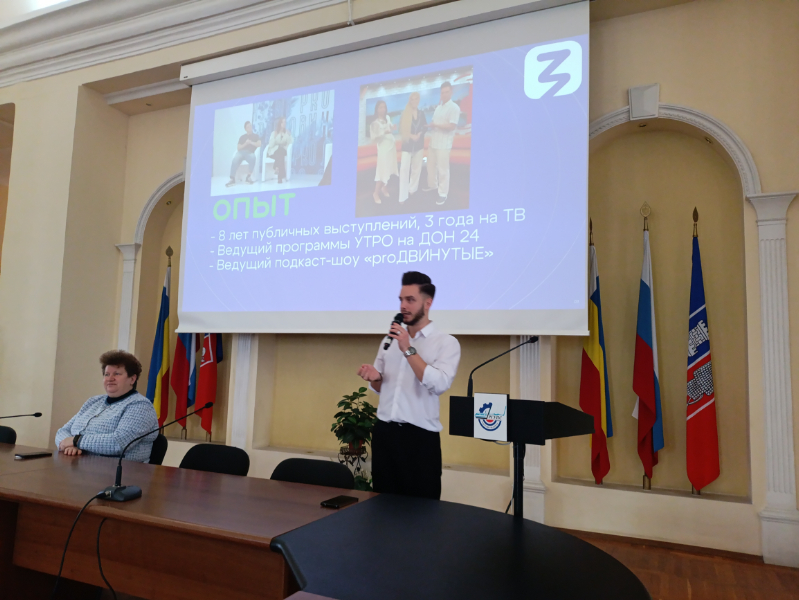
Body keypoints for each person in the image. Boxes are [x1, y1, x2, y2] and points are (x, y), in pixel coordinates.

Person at [357, 272, 461, 499]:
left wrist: (407, 348)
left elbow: (439, 384)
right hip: (385, 434)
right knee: (383, 506)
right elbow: (381, 387)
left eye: (410, 300)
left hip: (419, 438)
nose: (403, 306)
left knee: (421, 511)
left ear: (428, 303)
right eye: (401, 300)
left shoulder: (446, 343)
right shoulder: (389, 340)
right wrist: (375, 377)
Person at [55, 350, 159, 463]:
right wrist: (69, 446)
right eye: (107, 374)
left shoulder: (141, 406)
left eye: (117, 374)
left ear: (132, 379)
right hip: (78, 465)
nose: (110, 378)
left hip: (120, 470)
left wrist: (76, 441)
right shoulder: (93, 401)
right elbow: (63, 430)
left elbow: (118, 443)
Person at [424, 82, 461, 205]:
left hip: (444, 145)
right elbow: (434, 123)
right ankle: (432, 185)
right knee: (430, 166)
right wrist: (428, 126)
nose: (444, 94)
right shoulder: (438, 107)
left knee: (443, 170)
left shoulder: (454, 108)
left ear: (451, 92)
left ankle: (443, 194)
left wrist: (436, 125)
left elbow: (452, 126)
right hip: (433, 142)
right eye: (442, 92)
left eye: (446, 92)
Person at [398, 92, 427, 203]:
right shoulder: (405, 113)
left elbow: (425, 127)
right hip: (407, 145)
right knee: (404, 170)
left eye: (416, 99)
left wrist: (419, 134)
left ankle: (412, 189)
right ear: (410, 101)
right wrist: (411, 136)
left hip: (419, 145)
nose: (414, 101)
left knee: (416, 168)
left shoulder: (421, 113)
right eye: (412, 99)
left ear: (418, 100)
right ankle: (402, 196)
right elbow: (401, 129)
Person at [369, 100, 398, 204]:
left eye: (384, 107)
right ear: (377, 109)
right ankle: (375, 193)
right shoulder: (375, 123)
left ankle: (384, 187)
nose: (383, 109)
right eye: (380, 107)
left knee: (389, 169)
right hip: (383, 149)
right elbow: (373, 138)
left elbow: (390, 127)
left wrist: (392, 127)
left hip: (391, 147)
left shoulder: (387, 118)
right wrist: (384, 132)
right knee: (382, 171)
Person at [226, 121, 261, 187]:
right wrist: (246, 143)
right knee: (235, 159)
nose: (250, 127)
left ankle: (248, 177)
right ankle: (232, 179)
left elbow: (259, 144)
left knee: (253, 157)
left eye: (250, 126)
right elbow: (238, 148)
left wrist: (251, 142)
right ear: (245, 129)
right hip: (241, 152)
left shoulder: (256, 136)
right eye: (248, 127)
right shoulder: (242, 137)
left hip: (250, 152)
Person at [266, 117, 293, 184]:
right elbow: (271, 145)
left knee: (281, 151)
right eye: (282, 122)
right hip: (274, 151)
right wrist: (274, 137)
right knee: (280, 155)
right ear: (279, 123)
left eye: (285, 122)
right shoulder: (274, 133)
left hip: (283, 150)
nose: (284, 123)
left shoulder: (286, 133)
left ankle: (276, 167)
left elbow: (290, 143)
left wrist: (289, 135)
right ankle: (280, 176)